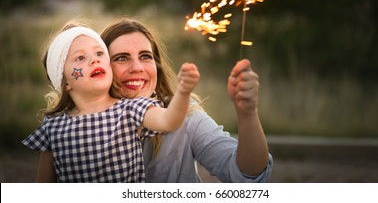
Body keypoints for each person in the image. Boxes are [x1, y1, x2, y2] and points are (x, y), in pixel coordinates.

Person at [100, 18, 273, 183]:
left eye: (145, 56)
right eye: (121, 58)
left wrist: (247, 113)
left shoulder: (185, 116)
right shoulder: (84, 125)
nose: (137, 68)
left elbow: (246, 176)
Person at [22, 23, 199, 183]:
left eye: (99, 53)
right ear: (64, 81)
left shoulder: (130, 109)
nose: (94, 59)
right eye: (80, 58)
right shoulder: (53, 127)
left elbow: (169, 121)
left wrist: (183, 92)